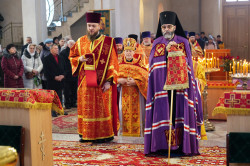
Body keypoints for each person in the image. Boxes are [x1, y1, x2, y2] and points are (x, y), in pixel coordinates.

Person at [144, 11, 203, 156]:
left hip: (180, 89)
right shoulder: (157, 43)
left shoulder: (183, 42)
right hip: (160, 89)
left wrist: (175, 51)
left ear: (175, 27)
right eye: (164, 27)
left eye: (169, 26)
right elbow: (152, 66)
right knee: (163, 115)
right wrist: (165, 52)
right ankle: (163, 146)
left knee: (178, 114)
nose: (166, 30)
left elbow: (189, 66)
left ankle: (181, 146)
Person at [69, 12, 119, 143]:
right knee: (87, 109)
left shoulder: (108, 42)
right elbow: (72, 57)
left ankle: (104, 135)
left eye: (93, 26)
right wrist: (79, 59)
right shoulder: (80, 41)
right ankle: (86, 134)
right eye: (89, 25)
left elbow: (113, 63)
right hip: (84, 83)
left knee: (101, 109)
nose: (91, 28)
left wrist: (109, 81)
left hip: (101, 83)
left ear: (99, 26)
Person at [118, 38, 148, 137]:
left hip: (137, 93)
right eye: (126, 51)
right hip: (124, 92)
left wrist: (136, 82)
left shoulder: (140, 64)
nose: (128, 53)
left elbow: (145, 78)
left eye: (130, 51)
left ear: (134, 51)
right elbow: (113, 76)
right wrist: (119, 81)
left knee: (139, 113)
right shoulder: (119, 64)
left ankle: (139, 133)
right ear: (124, 52)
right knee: (122, 111)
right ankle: (124, 132)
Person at [43, 44, 67, 117]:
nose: (57, 50)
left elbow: (65, 68)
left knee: (60, 96)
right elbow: (46, 71)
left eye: (57, 48)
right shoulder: (46, 59)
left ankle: (60, 110)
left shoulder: (61, 57)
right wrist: (54, 77)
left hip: (60, 80)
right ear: (51, 50)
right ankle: (53, 111)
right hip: (52, 81)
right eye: (55, 48)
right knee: (52, 96)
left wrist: (63, 75)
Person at [60, 40, 77, 109]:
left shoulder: (76, 52)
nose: (72, 45)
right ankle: (67, 103)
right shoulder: (63, 53)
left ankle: (73, 102)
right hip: (67, 74)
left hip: (74, 73)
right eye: (71, 44)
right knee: (67, 90)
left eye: (73, 44)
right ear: (67, 45)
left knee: (74, 89)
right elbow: (62, 64)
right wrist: (64, 73)